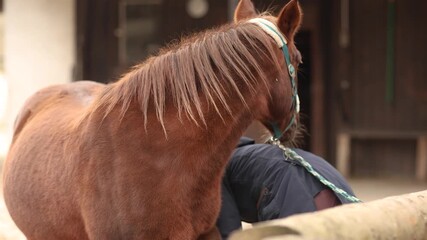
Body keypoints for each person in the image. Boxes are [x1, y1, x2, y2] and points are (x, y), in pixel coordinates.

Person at [217, 137, 358, 239]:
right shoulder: (254, 154)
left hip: (298, 193)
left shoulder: (216, 169)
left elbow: (228, 229)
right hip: (337, 191)